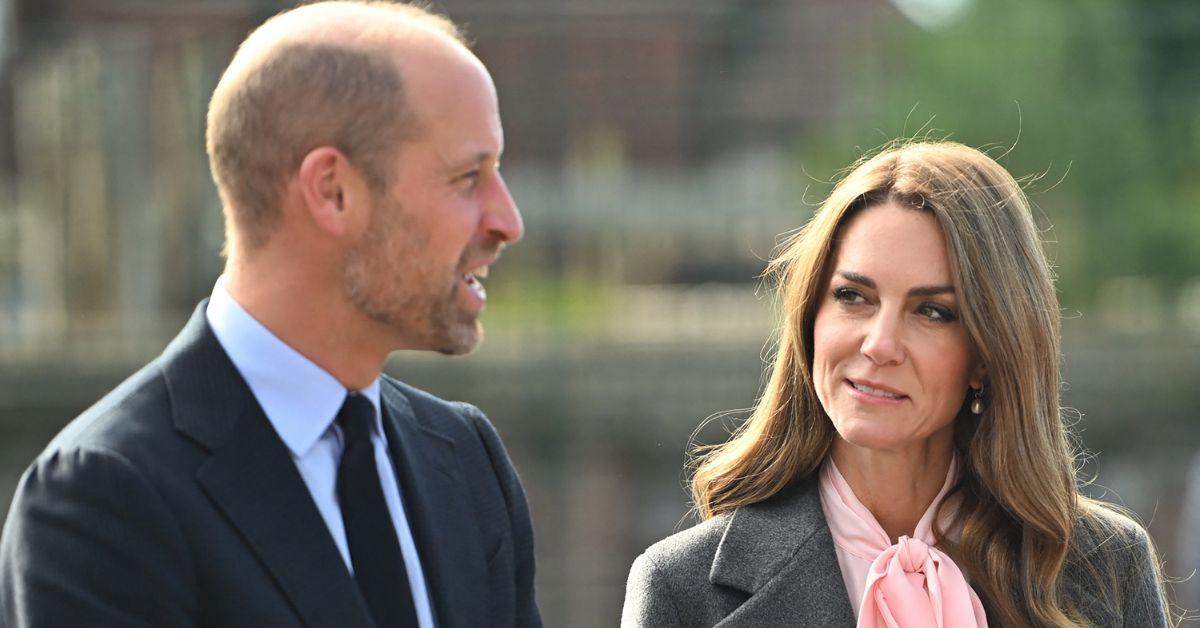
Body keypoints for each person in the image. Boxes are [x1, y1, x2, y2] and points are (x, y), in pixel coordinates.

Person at [0, 2, 540, 627]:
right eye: (468, 178)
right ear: (333, 191)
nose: (508, 221)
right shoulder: (105, 500)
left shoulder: (465, 463)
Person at [622, 141, 1171, 627]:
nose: (879, 344)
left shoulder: (1106, 568)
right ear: (810, 316)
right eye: (853, 297)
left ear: (988, 353)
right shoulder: (681, 590)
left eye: (932, 311)